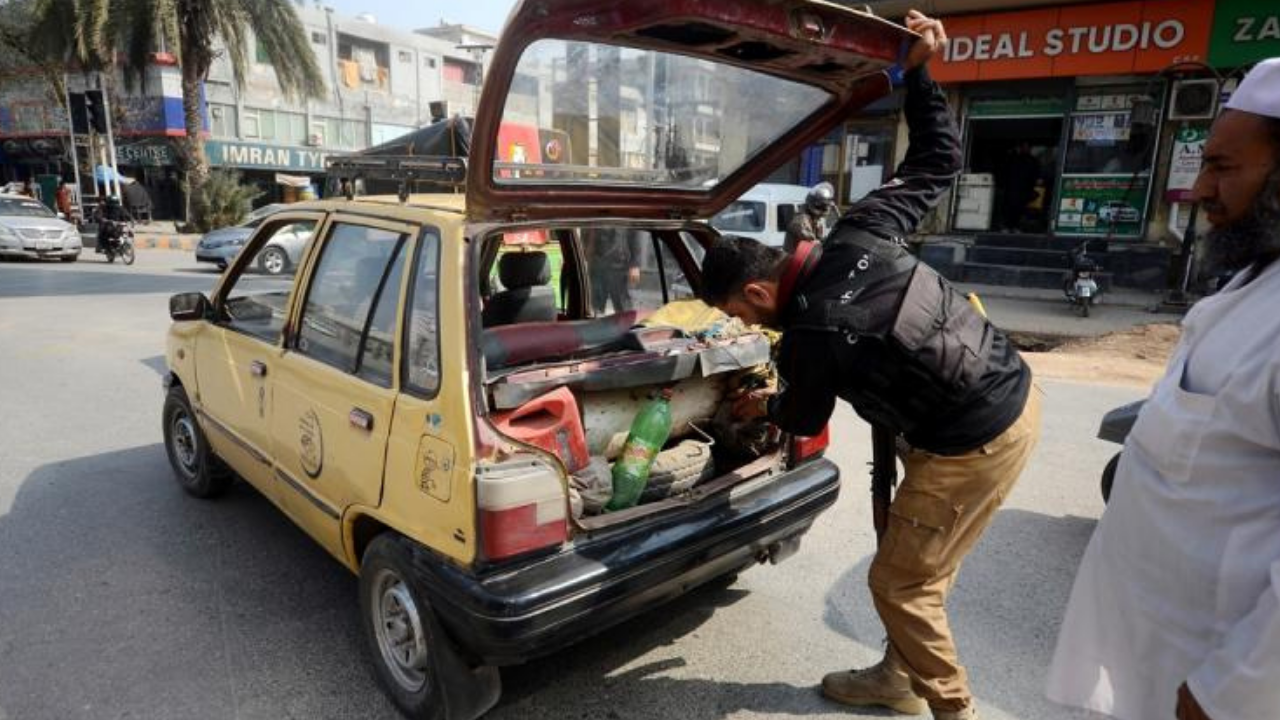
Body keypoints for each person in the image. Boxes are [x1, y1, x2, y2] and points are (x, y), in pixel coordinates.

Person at [698, 12, 1038, 720]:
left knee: (902, 584)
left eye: (739, 314)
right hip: (1003, 391)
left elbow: (802, 418)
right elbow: (938, 162)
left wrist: (762, 402)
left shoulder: (811, 334)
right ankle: (897, 673)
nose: (743, 325)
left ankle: (950, 708)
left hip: (973, 437)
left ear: (759, 290)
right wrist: (919, 73)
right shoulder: (861, 228)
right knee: (921, 561)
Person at [1046, 57, 1280, 720]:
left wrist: (1229, 689)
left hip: (1221, 684)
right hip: (1164, 658)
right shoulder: (1255, 277)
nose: (1200, 190)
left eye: (1225, 168)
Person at [583, 226, 644, 314]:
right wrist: (584, 253)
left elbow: (634, 234)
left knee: (623, 309)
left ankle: (626, 326)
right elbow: (586, 230)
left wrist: (635, 265)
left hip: (619, 266)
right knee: (594, 308)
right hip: (597, 265)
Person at [783, 182, 835, 252]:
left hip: (803, 259)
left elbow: (819, 238)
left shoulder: (814, 219)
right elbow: (812, 242)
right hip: (792, 260)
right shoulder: (801, 220)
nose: (827, 209)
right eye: (824, 206)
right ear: (817, 205)